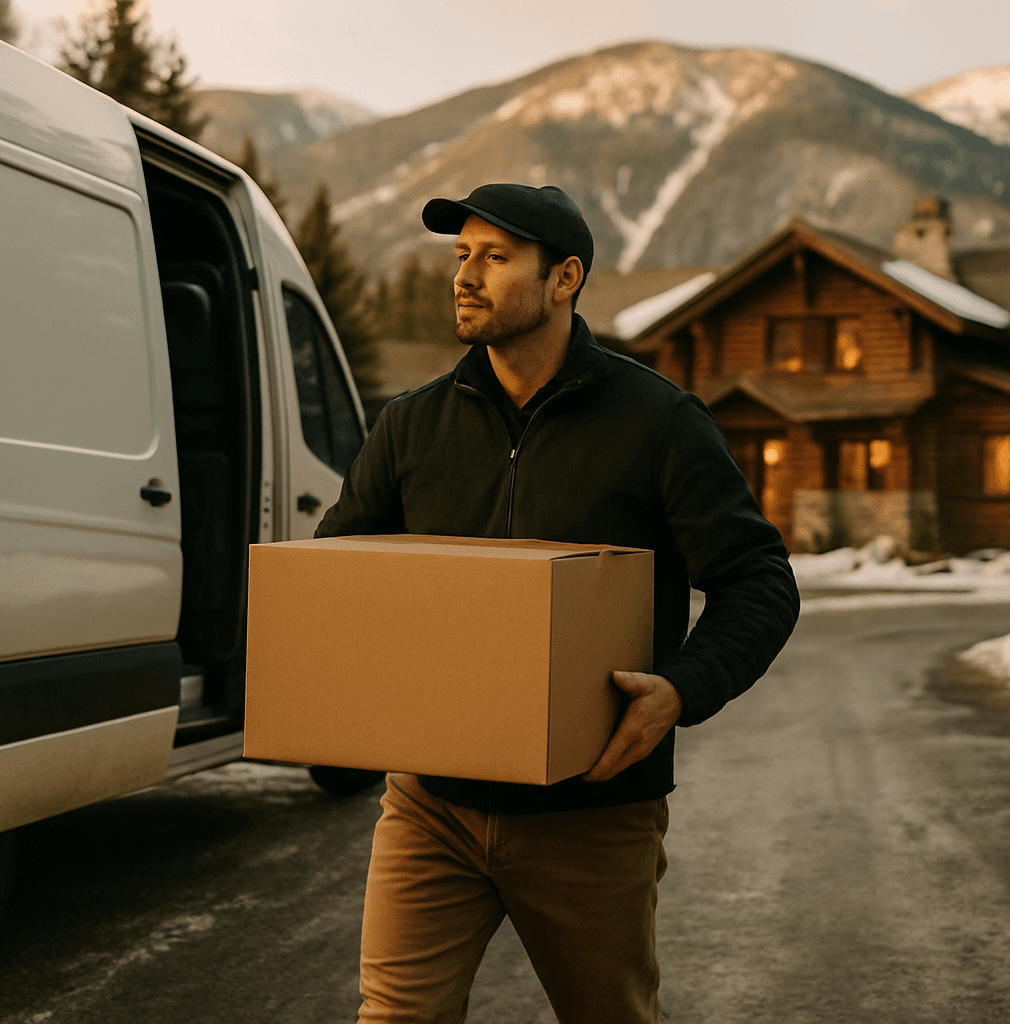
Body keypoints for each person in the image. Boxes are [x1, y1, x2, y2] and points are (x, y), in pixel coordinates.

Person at [316, 182, 799, 1023]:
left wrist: (682, 688)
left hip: (593, 809)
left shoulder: (659, 423)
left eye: (495, 258)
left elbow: (759, 580)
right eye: (461, 255)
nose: (466, 276)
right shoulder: (409, 426)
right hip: (433, 804)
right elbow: (341, 572)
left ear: (565, 278)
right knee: (394, 1017)